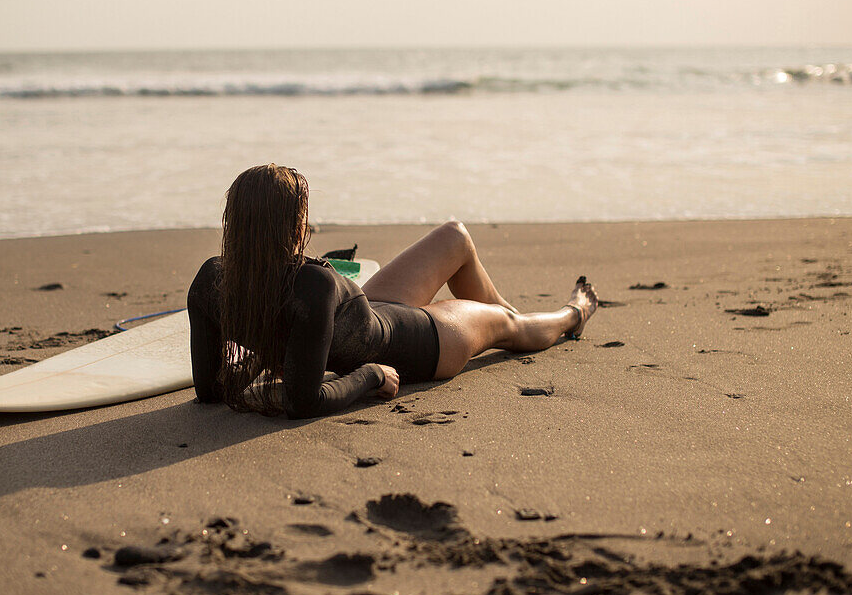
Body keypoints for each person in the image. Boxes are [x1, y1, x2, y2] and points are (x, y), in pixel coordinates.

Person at [187, 164, 598, 419]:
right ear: (295, 227)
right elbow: (303, 403)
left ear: (235, 225)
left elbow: (209, 389)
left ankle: (513, 319)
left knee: (454, 236)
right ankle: (572, 313)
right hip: (424, 341)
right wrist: (371, 374)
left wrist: (268, 352)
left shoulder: (211, 280)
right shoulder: (312, 284)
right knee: (508, 326)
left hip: (372, 312)